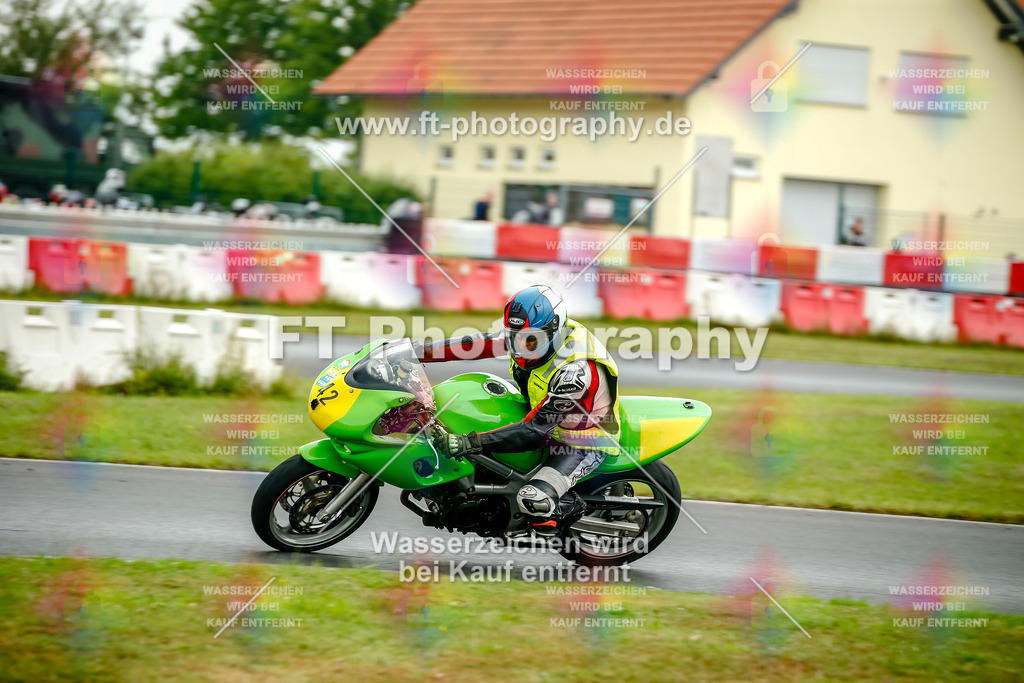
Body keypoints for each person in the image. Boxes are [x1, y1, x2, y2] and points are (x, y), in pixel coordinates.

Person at [417, 285, 620, 537]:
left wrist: (468, 442)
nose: (521, 348)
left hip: (580, 441)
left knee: (533, 499)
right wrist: (419, 352)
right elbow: (479, 344)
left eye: (531, 340)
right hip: (543, 413)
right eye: (514, 337)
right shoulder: (530, 334)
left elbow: (535, 432)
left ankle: (562, 513)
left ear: (554, 330)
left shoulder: (574, 372)